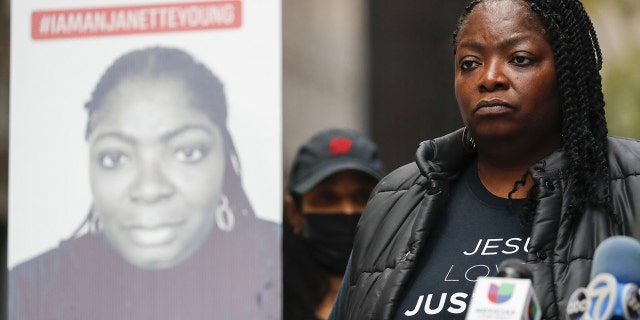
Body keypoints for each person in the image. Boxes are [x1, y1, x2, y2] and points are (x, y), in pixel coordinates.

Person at [329, 0, 640, 319]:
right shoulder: (393, 201)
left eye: (519, 59)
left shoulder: (633, 184)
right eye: (470, 63)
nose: (489, 77)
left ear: (568, 69)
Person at [9, 46, 280, 319]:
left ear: (225, 158)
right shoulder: (30, 291)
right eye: (115, 157)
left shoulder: (285, 267)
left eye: (187, 153)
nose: (149, 189)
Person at [283, 128, 385, 320]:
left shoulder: (409, 293)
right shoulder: (267, 298)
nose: (347, 210)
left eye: (362, 196)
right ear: (294, 212)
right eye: (327, 197)